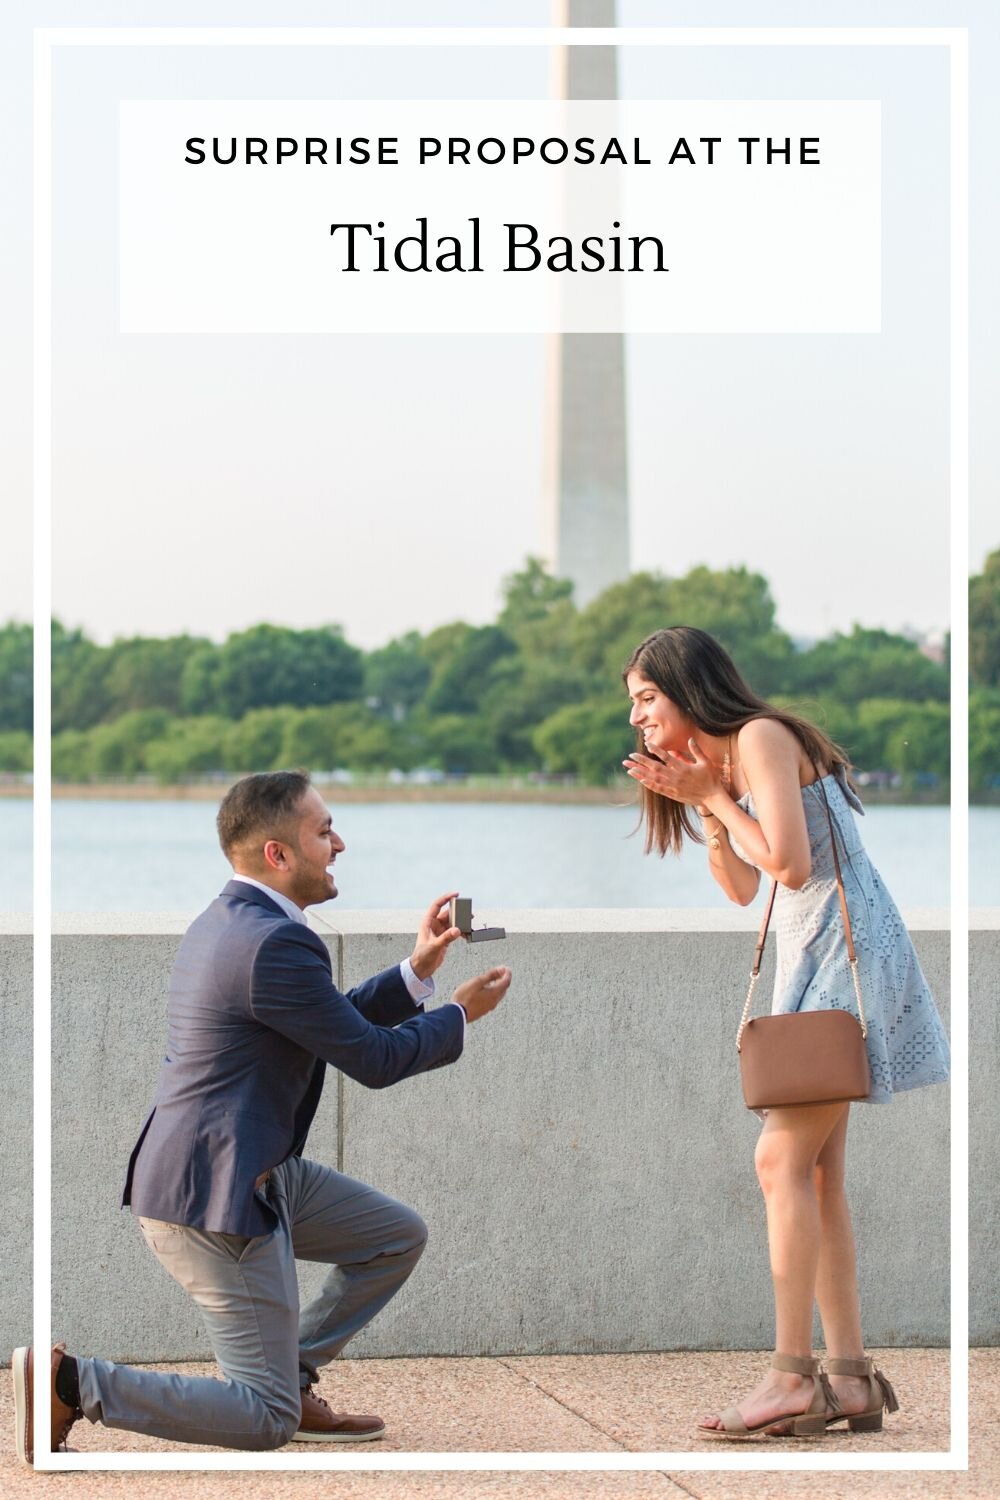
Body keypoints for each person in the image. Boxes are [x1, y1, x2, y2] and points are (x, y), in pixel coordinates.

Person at [14, 770, 511, 1463]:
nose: (340, 842)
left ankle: (291, 1371)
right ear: (278, 855)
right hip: (215, 1195)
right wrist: (459, 1014)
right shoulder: (273, 942)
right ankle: (71, 1384)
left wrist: (416, 971)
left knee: (393, 1237)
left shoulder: (241, 923)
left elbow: (329, 1022)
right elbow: (371, 1060)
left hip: (250, 1170)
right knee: (263, 1419)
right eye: (323, 830)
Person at [622, 627, 949, 1443]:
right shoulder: (726, 762)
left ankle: (789, 1378)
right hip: (816, 952)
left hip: (845, 949)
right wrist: (704, 801)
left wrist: (714, 796)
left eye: (646, 698)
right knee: (819, 1172)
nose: (637, 718)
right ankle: (849, 1378)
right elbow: (743, 887)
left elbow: (797, 867)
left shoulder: (761, 737)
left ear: (687, 687)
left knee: (778, 1159)